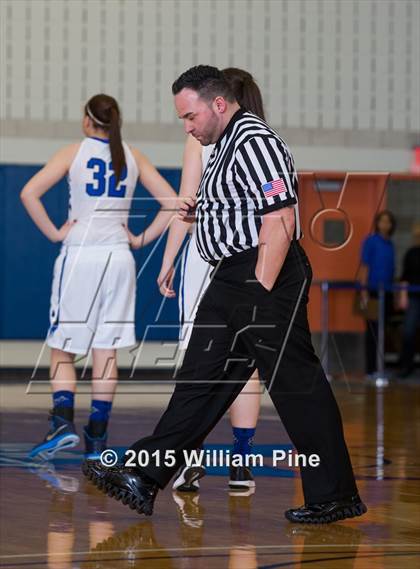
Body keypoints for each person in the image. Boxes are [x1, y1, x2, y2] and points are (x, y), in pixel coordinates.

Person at [84, 66, 366, 524]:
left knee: (296, 386)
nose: (187, 127)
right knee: (199, 382)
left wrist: (259, 286)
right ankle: (144, 475)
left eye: (190, 116)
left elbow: (281, 220)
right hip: (231, 275)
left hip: (264, 274)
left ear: (219, 104)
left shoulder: (256, 142)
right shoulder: (221, 147)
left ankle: (335, 494)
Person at [21, 94, 177, 461]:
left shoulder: (73, 152)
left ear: (88, 120)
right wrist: (139, 239)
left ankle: (61, 423)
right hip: (118, 260)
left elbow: (29, 192)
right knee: (105, 351)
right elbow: (172, 202)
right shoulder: (133, 155)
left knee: (63, 347)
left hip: (80, 257)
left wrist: (55, 233)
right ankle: (97, 437)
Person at [158, 68, 265, 492]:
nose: (190, 122)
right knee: (246, 361)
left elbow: (184, 206)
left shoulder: (202, 142)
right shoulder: (262, 137)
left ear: (219, 101)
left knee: (197, 363)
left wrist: (168, 261)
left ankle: (190, 459)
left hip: (209, 259)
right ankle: (242, 462)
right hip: (253, 260)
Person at [359, 210, 396, 378]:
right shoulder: (371, 241)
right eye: (382, 221)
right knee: (372, 331)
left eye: (388, 222)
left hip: (387, 292)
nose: (385, 225)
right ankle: (371, 370)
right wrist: (364, 290)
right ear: (378, 223)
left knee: (383, 331)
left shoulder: (390, 244)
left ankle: (380, 368)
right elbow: (365, 266)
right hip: (373, 292)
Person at [397, 222, 420, 378]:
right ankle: (407, 365)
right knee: (409, 331)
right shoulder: (411, 253)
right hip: (413, 298)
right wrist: (403, 296)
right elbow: (405, 277)